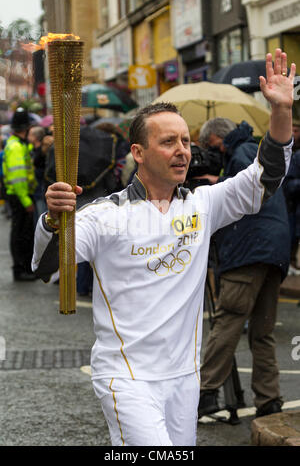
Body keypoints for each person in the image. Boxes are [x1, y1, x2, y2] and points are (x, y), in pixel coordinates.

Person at [32, 50, 295, 445]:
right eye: (168, 141)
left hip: (184, 378)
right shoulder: (106, 215)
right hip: (127, 378)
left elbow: (266, 178)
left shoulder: (203, 204)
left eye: (186, 140)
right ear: (138, 153)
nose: (182, 150)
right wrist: (54, 220)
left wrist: (281, 111)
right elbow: (48, 267)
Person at [197, 114, 291, 419]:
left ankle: (206, 392)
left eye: (209, 145)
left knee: (228, 320)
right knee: (262, 331)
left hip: (249, 249)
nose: (210, 151)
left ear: (217, 138)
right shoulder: (250, 150)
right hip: (273, 252)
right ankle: (269, 399)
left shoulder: (241, 153)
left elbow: (247, 195)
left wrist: (218, 184)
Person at [3, 107, 37, 281]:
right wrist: (26, 201)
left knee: (22, 233)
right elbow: (18, 179)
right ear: (27, 127)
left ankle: (24, 268)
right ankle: (20, 269)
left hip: (20, 196)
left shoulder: (17, 144)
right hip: (20, 197)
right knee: (21, 234)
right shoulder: (16, 147)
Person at [282, 119, 300, 273]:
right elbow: (289, 186)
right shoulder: (296, 157)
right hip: (293, 208)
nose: (294, 134)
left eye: (297, 131)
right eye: (292, 130)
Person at [27, 125, 47, 225]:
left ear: (35, 137)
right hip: (36, 189)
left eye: (30, 134)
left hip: (40, 190)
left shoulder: (41, 152)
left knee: (41, 217)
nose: (27, 136)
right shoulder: (33, 150)